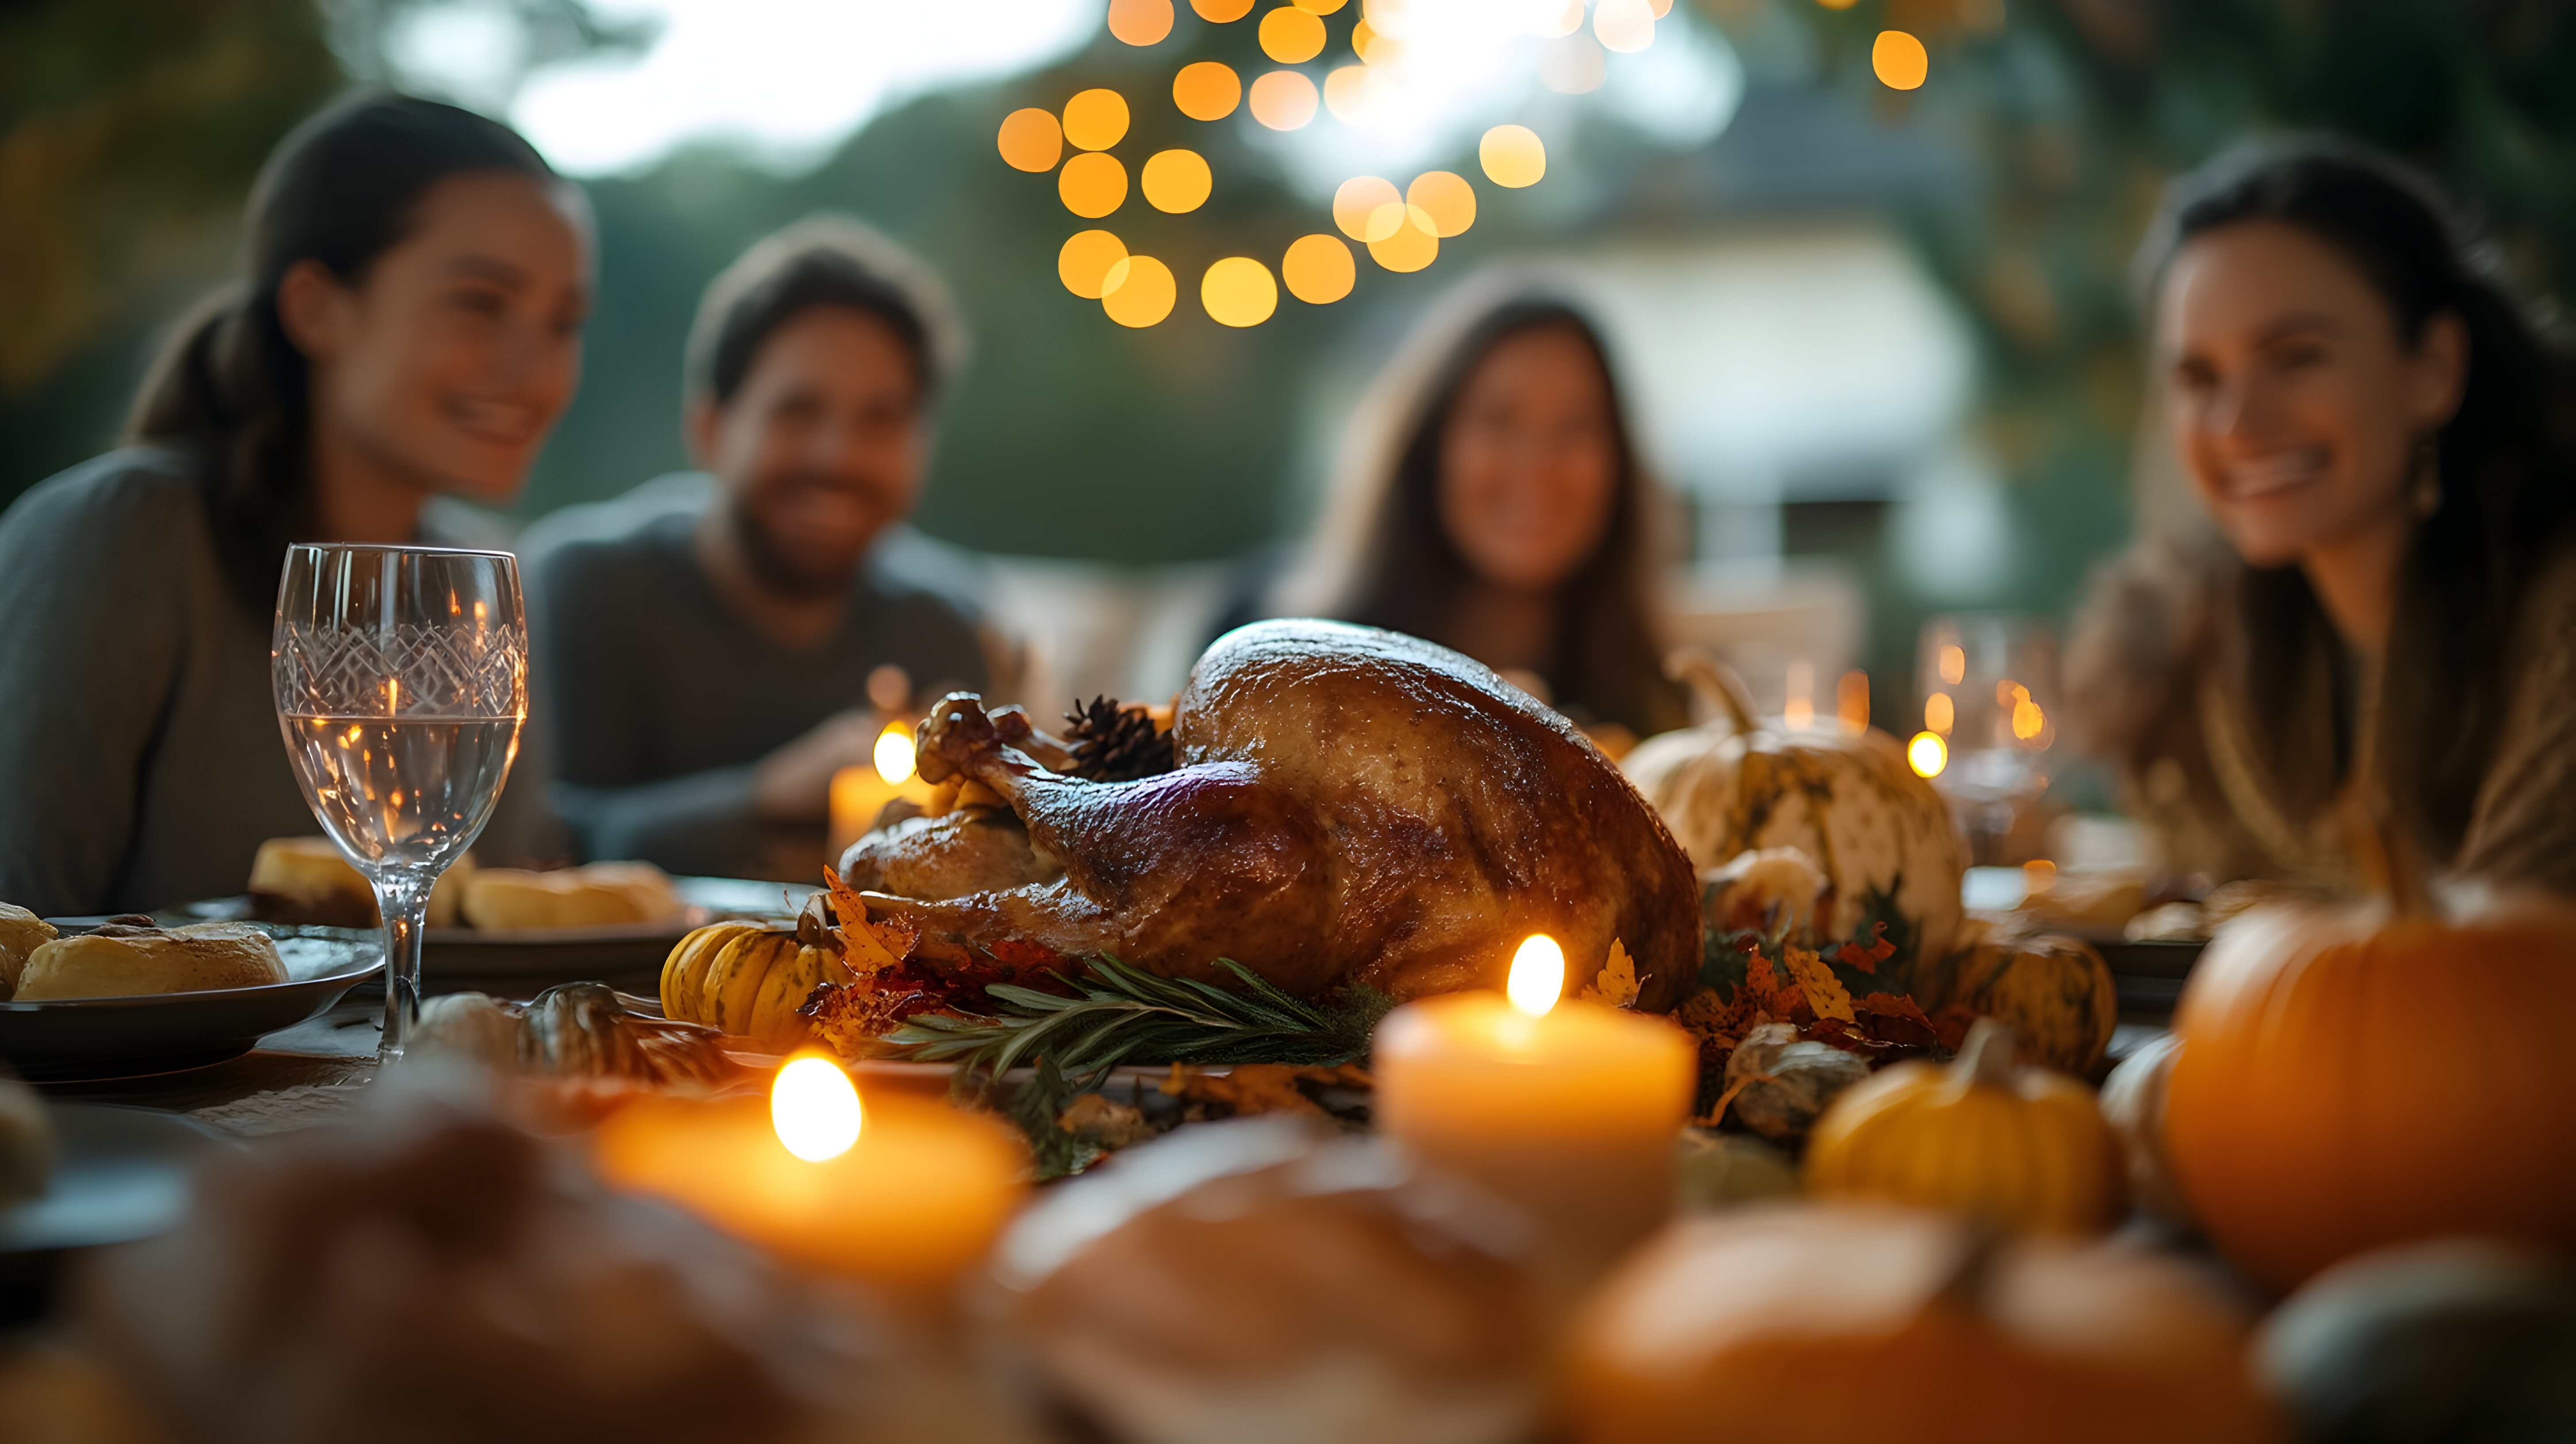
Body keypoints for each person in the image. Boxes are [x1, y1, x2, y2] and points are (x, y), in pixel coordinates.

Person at [0, 93, 590, 918]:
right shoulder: (121, 535)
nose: (537, 370)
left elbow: (496, 920)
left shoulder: (482, 581)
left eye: (564, 322)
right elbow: (18, 941)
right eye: (480, 302)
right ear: (316, 308)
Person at [2065, 139, 2576, 895]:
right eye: (2199, 377)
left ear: (2433, 367)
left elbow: (2515, 940)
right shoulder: (2198, 667)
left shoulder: (2554, 617)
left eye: (2295, 356)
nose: (2237, 423)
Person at [530, 217, 990, 880]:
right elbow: (536, 844)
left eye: (880, 420)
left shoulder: (943, 627)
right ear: (710, 427)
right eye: (796, 411)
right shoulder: (590, 586)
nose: (837, 457)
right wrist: (767, 795)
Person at [1248, 275, 1690, 741]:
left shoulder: (1659, 718)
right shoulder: (1269, 650)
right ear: (1430, 446)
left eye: (1576, 427)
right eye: (1498, 421)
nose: (1537, 465)